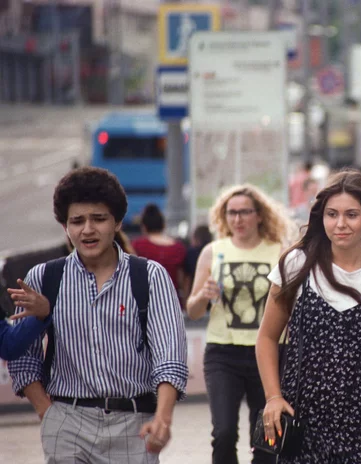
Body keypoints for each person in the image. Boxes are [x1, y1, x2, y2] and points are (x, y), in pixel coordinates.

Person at [8, 167, 188, 463]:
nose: (87, 230)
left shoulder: (149, 277)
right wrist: (46, 411)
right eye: (77, 221)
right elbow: (22, 354)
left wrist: (163, 418)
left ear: (117, 222)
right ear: (65, 226)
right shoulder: (43, 278)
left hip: (134, 424)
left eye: (99, 219)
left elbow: (170, 357)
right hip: (67, 423)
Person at [256, 170, 361, 463]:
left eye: (351, 214)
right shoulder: (296, 265)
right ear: (321, 218)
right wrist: (273, 397)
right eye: (332, 214)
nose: (340, 224)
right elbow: (267, 338)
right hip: (303, 420)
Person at [186, 184, 294, 464]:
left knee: (267, 438)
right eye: (231, 213)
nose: (238, 219)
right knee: (223, 433)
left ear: (259, 215)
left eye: (245, 212)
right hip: (224, 352)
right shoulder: (213, 252)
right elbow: (193, 310)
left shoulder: (279, 252)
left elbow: (292, 308)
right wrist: (203, 296)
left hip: (269, 354)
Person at [132, 204, 187, 299]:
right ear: (163, 225)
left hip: (145, 302)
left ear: (144, 226)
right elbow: (182, 281)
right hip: (172, 301)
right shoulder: (178, 248)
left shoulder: (137, 245)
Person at [183, 224, 213, 301]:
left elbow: (187, 279)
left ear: (196, 238)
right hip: (212, 299)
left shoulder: (191, 253)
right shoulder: (214, 252)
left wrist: (185, 300)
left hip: (194, 297)